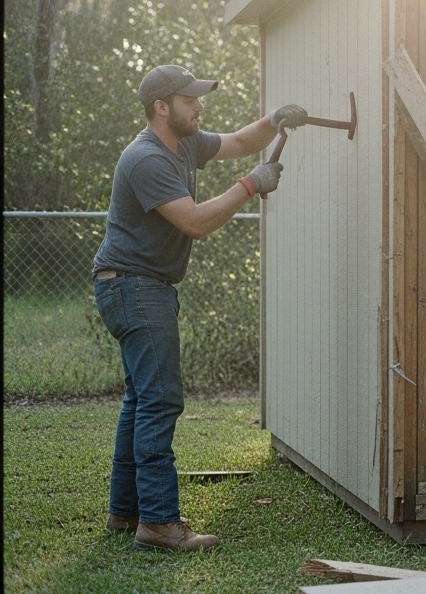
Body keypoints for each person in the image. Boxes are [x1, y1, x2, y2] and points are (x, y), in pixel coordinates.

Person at [92, 64, 306, 552]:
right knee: (160, 400)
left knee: (140, 400)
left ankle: (126, 513)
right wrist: (250, 186)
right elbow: (194, 222)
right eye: (190, 99)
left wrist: (275, 118)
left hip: (136, 285)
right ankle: (159, 524)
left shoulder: (184, 142)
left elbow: (237, 141)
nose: (199, 105)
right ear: (162, 107)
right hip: (135, 287)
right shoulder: (146, 158)